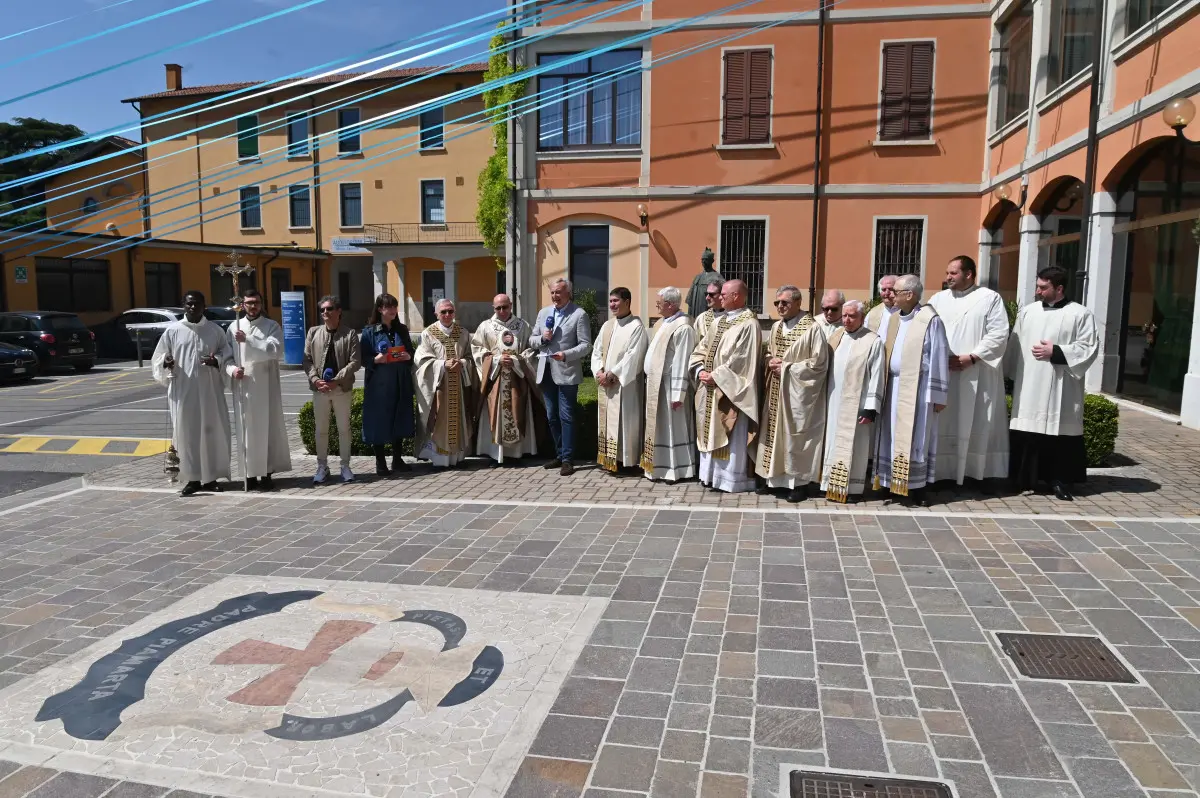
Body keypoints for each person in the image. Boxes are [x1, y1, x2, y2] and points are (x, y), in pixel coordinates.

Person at [1007, 266, 1099, 501]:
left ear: (1059, 288)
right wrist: (1010, 376)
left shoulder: (1080, 314)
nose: (1037, 291)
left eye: (1043, 287)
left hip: (1062, 385)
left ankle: (1060, 481)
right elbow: (1014, 345)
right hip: (1030, 384)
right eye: (1037, 286)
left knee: (1061, 433)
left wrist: (1056, 351)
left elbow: (1088, 347)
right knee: (1027, 430)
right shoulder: (1028, 312)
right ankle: (1022, 479)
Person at [928, 255, 1010, 488]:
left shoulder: (989, 298)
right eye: (947, 273)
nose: (948, 277)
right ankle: (942, 473)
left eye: (953, 273)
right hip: (945, 373)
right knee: (945, 422)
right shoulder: (937, 300)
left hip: (977, 373)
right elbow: (926, 329)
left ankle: (978, 474)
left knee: (978, 420)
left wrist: (973, 357)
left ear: (969, 274)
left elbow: (999, 333)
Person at [873, 274, 950, 506]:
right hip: (892, 387)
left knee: (916, 438)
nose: (891, 295)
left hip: (917, 390)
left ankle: (917, 489)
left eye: (896, 292)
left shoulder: (930, 320)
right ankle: (890, 483)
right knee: (889, 437)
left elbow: (938, 355)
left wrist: (938, 395)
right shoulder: (895, 319)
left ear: (910, 295)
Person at [153, 291, 232, 497]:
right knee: (187, 435)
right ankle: (192, 479)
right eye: (189, 304)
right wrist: (165, 362)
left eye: (197, 304)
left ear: (204, 306)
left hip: (210, 392)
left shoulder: (215, 330)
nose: (193, 307)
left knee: (211, 432)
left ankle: (211, 478)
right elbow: (159, 357)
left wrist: (217, 361)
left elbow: (227, 354)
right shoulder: (173, 331)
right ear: (183, 305)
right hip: (183, 392)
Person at [754, 285, 830, 502]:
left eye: (785, 302)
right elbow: (769, 351)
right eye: (777, 303)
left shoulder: (812, 328)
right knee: (774, 435)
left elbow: (819, 364)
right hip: (776, 390)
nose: (780, 306)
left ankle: (798, 484)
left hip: (799, 395)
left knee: (796, 437)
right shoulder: (776, 326)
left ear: (798, 303)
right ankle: (773, 479)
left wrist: (787, 368)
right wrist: (769, 360)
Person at [691, 279, 762, 493]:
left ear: (736, 296)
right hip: (709, 387)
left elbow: (742, 361)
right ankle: (710, 476)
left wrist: (716, 376)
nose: (720, 297)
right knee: (709, 430)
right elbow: (701, 348)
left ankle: (730, 480)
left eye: (723, 294)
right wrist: (700, 370)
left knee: (730, 434)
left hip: (731, 393)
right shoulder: (719, 321)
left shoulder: (749, 324)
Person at [821, 300, 885, 503]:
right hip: (833, 401)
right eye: (844, 316)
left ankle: (852, 488)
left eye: (852, 316)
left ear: (862, 318)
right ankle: (830, 485)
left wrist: (870, 408)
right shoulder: (836, 336)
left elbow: (877, 374)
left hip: (857, 405)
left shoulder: (872, 341)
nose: (847, 320)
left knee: (856, 446)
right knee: (832, 443)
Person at [227, 289, 290, 491]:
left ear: (261, 304)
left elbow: (275, 351)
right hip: (244, 386)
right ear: (242, 305)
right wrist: (232, 370)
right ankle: (250, 474)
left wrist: (249, 340)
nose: (253, 306)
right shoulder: (233, 327)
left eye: (256, 302)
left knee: (266, 429)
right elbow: (227, 357)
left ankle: (266, 473)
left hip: (265, 386)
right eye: (249, 303)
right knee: (247, 431)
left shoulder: (271, 326)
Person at [530, 278, 592, 476]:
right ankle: (559, 454)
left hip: (566, 371)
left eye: (559, 292)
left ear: (568, 293)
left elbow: (586, 345)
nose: (555, 296)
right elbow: (531, 339)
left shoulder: (579, 314)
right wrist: (542, 338)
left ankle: (567, 459)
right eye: (553, 293)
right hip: (545, 370)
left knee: (566, 416)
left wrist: (566, 355)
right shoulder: (543, 313)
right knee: (552, 416)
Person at [472, 293, 538, 464]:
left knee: (517, 411)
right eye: (498, 308)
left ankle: (516, 453)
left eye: (505, 307)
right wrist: (495, 360)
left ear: (511, 306)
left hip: (517, 378)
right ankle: (495, 454)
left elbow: (531, 350)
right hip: (495, 379)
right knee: (495, 414)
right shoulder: (485, 326)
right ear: (493, 308)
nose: (502, 311)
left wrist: (516, 361)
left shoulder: (523, 326)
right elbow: (476, 350)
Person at [642, 287, 697, 483]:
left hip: (670, 386)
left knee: (672, 430)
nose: (657, 306)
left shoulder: (683, 327)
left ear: (671, 305)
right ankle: (658, 467)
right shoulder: (664, 323)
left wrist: (678, 394)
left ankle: (675, 470)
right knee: (659, 429)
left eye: (660, 302)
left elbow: (682, 361)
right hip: (656, 384)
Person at [303, 295, 360, 484]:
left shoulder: (350, 334)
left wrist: (337, 380)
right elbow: (307, 360)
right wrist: (315, 380)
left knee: (344, 429)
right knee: (321, 430)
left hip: (341, 388)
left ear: (338, 311)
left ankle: (345, 466)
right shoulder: (313, 332)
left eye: (329, 309)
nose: (325, 312)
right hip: (320, 389)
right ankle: (322, 467)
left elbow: (355, 361)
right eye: (322, 310)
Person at [592, 287, 649, 474]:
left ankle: (626, 461)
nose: (612, 305)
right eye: (610, 301)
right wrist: (599, 371)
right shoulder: (607, 325)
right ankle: (609, 459)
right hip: (606, 384)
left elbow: (633, 357)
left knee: (625, 422)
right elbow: (597, 351)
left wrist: (612, 374)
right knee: (607, 422)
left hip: (625, 386)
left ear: (627, 302)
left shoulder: (636, 327)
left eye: (616, 301)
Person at [415, 299, 477, 468]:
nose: (448, 315)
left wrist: (462, 363)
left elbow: (471, 358)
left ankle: (458, 458)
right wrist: (442, 364)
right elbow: (421, 361)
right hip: (438, 387)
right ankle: (440, 459)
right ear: (436, 314)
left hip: (459, 388)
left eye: (450, 311)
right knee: (439, 422)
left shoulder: (463, 333)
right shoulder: (428, 334)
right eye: (443, 312)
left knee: (459, 420)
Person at [360, 293, 416, 477]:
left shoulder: (402, 329)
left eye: (394, 306)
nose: (393, 310)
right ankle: (380, 462)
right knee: (379, 421)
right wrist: (375, 360)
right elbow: (362, 358)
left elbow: (411, 351)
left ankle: (397, 460)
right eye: (388, 307)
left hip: (400, 379)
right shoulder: (369, 331)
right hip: (379, 383)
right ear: (379, 309)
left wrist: (408, 355)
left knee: (399, 417)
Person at [865, 274, 901, 364]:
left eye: (891, 289)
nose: (886, 293)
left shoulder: (907, 312)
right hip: (877, 362)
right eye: (883, 290)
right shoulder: (872, 314)